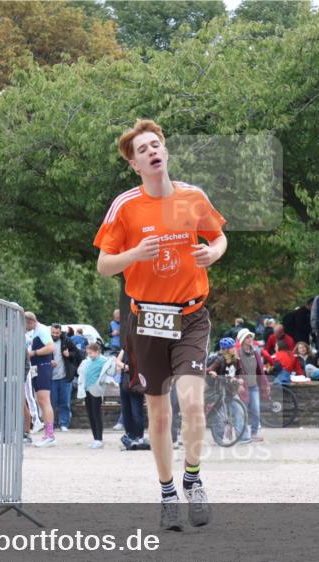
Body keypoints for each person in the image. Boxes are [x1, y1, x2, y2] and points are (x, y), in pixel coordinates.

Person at [94, 119, 227, 530]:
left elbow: (219, 237)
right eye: (143, 149)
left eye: (156, 145)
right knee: (160, 413)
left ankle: (193, 479)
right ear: (135, 164)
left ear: (165, 151)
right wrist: (134, 254)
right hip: (148, 318)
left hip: (190, 316)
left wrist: (213, 253)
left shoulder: (192, 197)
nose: (152, 151)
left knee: (192, 402)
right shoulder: (125, 206)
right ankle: (168, 491)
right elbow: (104, 265)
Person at [25, 311, 57, 447]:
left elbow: (51, 347)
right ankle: (48, 434)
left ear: (31, 322)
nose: (25, 328)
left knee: (44, 401)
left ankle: (50, 435)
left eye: (25, 325)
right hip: (37, 368)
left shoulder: (42, 330)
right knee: (41, 401)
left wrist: (33, 353)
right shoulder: (35, 331)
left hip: (43, 367)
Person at [76, 342, 115, 449]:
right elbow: (81, 371)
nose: (89, 355)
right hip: (87, 390)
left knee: (96, 414)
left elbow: (111, 372)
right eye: (88, 353)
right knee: (90, 414)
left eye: (91, 353)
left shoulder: (104, 361)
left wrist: (113, 362)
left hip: (96, 390)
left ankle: (99, 439)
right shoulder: (88, 361)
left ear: (97, 352)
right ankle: (95, 439)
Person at [235, 328, 269, 443]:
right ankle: (242, 435)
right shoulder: (237, 353)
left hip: (254, 386)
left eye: (250, 337)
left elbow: (260, 370)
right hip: (242, 387)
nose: (250, 339)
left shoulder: (255, 353)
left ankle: (253, 433)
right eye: (247, 337)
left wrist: (265, 384)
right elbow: (236, 370)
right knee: (242, 412)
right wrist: (238, 383)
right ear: (242, 340)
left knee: (256, 411)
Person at [49, 323, 83, 432]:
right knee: (51, 403)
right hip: (51, 378)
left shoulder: (67, 340)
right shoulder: (46, 341)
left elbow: (78, 354)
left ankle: (64, 424)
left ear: (60, 332)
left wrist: (69, 354)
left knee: (65, 402)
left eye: (57, 333)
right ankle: (52, 424)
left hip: (65, 376)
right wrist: (49, 361)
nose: (55, 335)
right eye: (53, 332)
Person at [114, 349, 147, 450]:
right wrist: (125, 366)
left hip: (136, 384)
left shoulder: (141, 347)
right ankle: (130, 436)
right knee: (126, 411)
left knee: (136, 412)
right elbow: (117, 361)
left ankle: (139, 437)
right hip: (124, 382)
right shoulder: (126, 348)